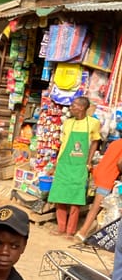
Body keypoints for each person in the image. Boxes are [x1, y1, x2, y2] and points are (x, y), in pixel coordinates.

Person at [48, 95, 101, 237]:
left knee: (75, 199)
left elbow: (95, 142)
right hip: (64, 164)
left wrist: (88, 162)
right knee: (59, 196)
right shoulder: (67, 123)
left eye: (75, 105)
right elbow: (63, 144)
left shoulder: (93, 123)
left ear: (83, 107)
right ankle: (61, 228)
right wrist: (55, 164)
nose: (71, 107)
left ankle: (70, 231)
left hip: (79, 166)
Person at [75, 138, 122, 241]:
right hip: (107, 178)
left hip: (99, 172)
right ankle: (82, 232)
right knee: (96, 207)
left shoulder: (116, 142)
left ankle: (91, 231)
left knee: (101, 207)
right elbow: (120, 163)